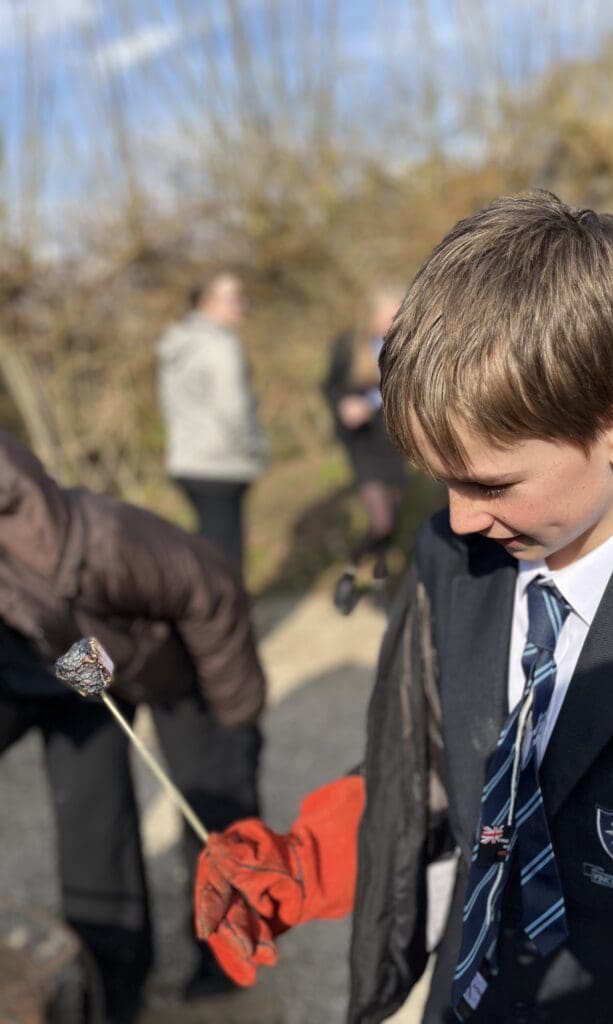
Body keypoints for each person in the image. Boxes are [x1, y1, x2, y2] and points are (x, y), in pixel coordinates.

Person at [193, 192, 613, 1023]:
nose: (460, 517)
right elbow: (435, 771)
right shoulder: (451, 562)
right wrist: (304, 860)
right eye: (440, 477)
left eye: (492, 483)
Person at [0, 428, 266, 1023]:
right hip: (78, 668)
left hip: (181, 666)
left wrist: (237, 720)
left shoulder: (110, 541)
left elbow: (213, 591)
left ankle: (225, 951)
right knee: (92, 822)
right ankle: (114, 979)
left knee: (213, 796)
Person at [157, 271, 269, 576]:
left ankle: (212, 617)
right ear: (207, 303)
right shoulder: (221, 346)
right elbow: (233, 411)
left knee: (209, 549)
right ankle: (225, 621)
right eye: (234, 298)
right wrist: (256, 450)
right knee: (225, 559)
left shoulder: (177, 345)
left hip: (186, 461)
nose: (242, 304)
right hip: (221, 463)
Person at [324, 287, 406, 614]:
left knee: (393, 517)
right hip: (364, 445)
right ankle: (349, 573)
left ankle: (378, 584)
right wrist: (345, 407)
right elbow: (330, 388)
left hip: (393, 442)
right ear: (373, 316)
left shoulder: (403, 348)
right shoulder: (349, 348)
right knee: (381, 521)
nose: (395, 320)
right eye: (390, 314)